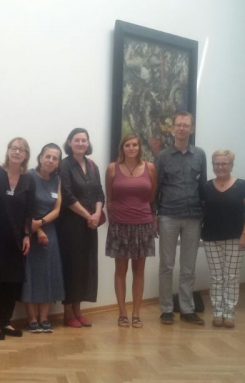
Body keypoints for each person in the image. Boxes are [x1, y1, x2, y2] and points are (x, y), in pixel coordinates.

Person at [0, 138, 34, 339]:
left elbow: (30, 210)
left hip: (16, 238)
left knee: (12, 281)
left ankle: (5, 321)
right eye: (14, 148)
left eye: (21, 149)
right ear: (8, 151)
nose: (17, 152)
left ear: (26, 155)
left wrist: (27, 235)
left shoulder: (29, 180)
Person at [155, 112, 207, 325]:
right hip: (168, 215)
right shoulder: (162, 156)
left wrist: (205, 215)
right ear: (173, 128)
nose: (182, 128)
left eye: (186, 125)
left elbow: (203, 187)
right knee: (166, 265)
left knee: (188, 266)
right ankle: (166, 309)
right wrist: (153, 215)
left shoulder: (200, 155)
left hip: (194, 216)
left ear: (191, 129)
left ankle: (187, 309)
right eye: (179, 125)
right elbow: (156, 188)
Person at [105, 134, 157, 329]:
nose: (132, 148)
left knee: (139, 271)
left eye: (135, 144)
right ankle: (122, 313)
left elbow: (151, 196)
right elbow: (109, 198)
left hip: (143, 224)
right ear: (122, 148)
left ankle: (136, 314)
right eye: (128, 145)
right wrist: (115, 219)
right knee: (120, 270)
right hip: (119, 225)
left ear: (139, 147)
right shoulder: (112, 168)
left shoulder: (150, 168)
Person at [56, 128, 105, 328]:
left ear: (88, 143)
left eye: (84, 140)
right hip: (70, 225)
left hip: (89, 225)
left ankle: (78, 310)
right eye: (76, 140)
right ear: (69, 142)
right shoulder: (64, 165)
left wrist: (97, 214)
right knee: (72, 268)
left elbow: (100, 194)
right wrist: (88, 215)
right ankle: (68, 313)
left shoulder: (92, 165)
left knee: (85, 267)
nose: (81, 143)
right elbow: (67, 196)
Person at [21, 144, 63, 333]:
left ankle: (44, 318)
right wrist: (37, 229)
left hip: (50, 232)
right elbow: (23, 206)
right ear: (40, 157)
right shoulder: (29, 176)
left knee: (48, 273)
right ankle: (32, 319)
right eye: (48, 156)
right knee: (30, 275)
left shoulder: (57, 180)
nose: (50, 161)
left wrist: (43, 223)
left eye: (55, 158)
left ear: (58, 162)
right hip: (30, 231)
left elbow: (57, 208)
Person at [202, 150, 245, 328]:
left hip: (236, 238)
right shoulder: (206, 187)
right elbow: (202, 212)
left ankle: (229, 313)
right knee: (217, 277)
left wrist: (244, 235)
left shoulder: (242, 185)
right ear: (213, 165)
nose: (220, 167)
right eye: (217, 164)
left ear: (231, 165)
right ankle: (218, 313)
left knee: (232, 277)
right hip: (211, 238)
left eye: (224, 164)